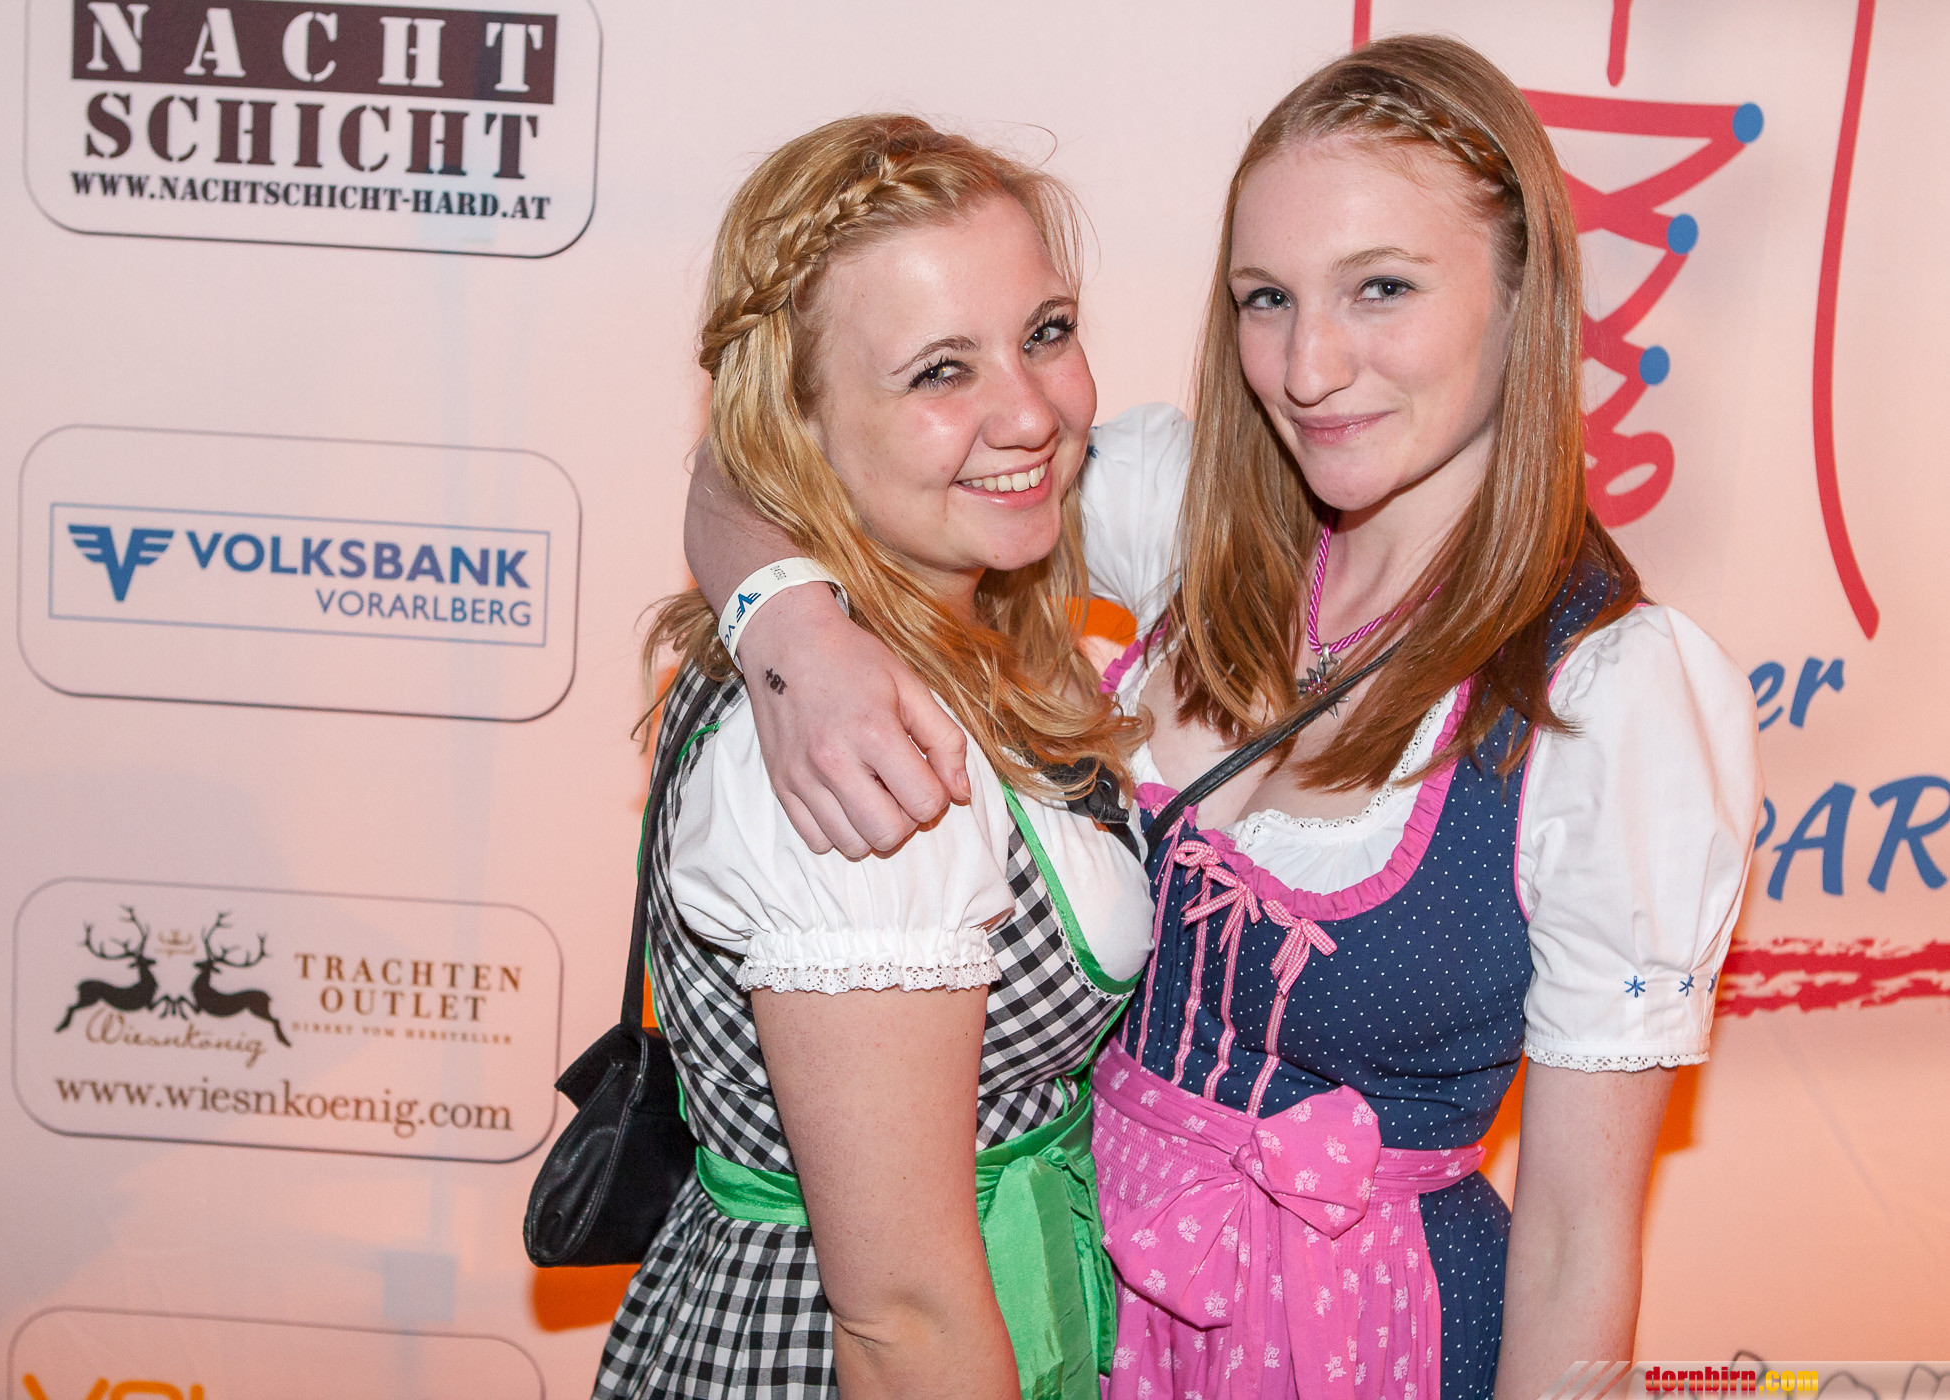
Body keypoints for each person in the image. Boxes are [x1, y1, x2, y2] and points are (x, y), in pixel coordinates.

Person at [680, 38, 1761, 1400]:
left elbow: (1575, 1247)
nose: (1310, 367)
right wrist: (791, 626)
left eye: (1381, 287)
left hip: (1360, 1343)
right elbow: (766, 456)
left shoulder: (1614, 692)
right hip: (1079, 1304)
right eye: (1267, 299)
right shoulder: (1189, 513)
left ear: (1525, 290)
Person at [601, 115, 1158, 1400]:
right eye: (938, 371)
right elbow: (903, 1319)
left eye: (1047, 331)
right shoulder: (858, 751)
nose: (1031, 410)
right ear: (799, 423)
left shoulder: (898, 627)